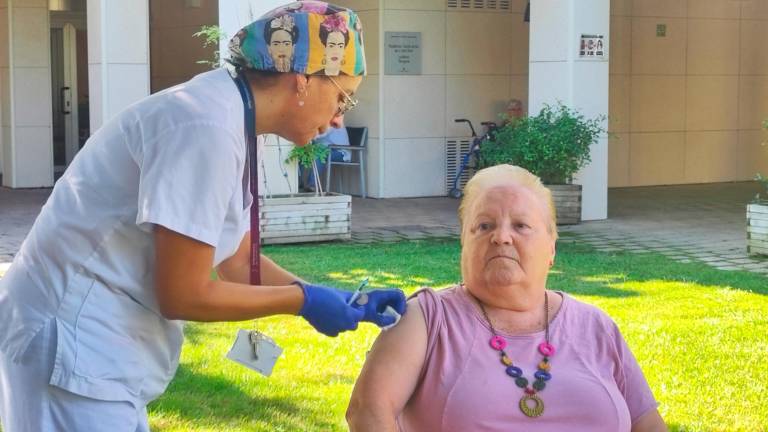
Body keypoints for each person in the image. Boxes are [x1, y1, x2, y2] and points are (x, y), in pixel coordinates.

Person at [0, 2, 404, 431]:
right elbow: (184, 293)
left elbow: (236, 261)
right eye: (342, 96)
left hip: (96, 349)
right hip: (71, 345)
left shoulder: (232, 117)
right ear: (302, 79)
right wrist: (302, 301)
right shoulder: (204, 126)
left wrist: (327, 294)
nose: (340, 117)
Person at [347, 165, 667, 432]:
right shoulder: (425, 318)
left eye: (521, 225)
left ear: (552, 246)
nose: (501, 236)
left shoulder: (595, 326)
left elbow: (648, 425)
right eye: (484, 225)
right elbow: (367, 411)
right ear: (464, 242)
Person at [300, 125, 351, 192]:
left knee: (319, 156)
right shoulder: (319, 121)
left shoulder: (333, 121)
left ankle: (312, 185)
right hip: (326, 149)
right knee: (302, 154)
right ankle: (299, 183)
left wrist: (303, 136)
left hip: (340, 152)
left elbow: (320, 134)